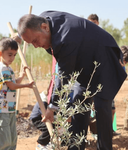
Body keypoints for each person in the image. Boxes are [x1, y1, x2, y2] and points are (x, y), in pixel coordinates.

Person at [17, 11, 127, 150]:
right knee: (78, 105)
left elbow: (63, 76)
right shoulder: (43, 20)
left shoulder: (65, 38)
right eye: (30, 42)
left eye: (35, 40)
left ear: (44, 27)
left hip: (104, 61)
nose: (36, 46)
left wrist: (52, 107)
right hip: (84, 64)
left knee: (101, 108)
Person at [0, 37, 34, 150]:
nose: (12, 58)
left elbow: (14, 82)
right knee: (4, 140)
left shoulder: (8, 68)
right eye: (10, 54)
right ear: (0, 53)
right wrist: (27, 85)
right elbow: (12, 86)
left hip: (9, 108)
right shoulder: (3, 69)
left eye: (14, 55)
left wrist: (23, 76)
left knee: (11, 139)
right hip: (1, 109)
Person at [87, 13, 120, 137]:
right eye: (90, 23)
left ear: (98, 23)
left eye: (94, 23)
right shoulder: (86, 39)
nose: (92, 25)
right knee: (91, 110)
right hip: (92, 80)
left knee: (111, 109)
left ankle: (108, 131)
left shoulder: (104, 37)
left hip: (105, 79)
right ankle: (95, 133)